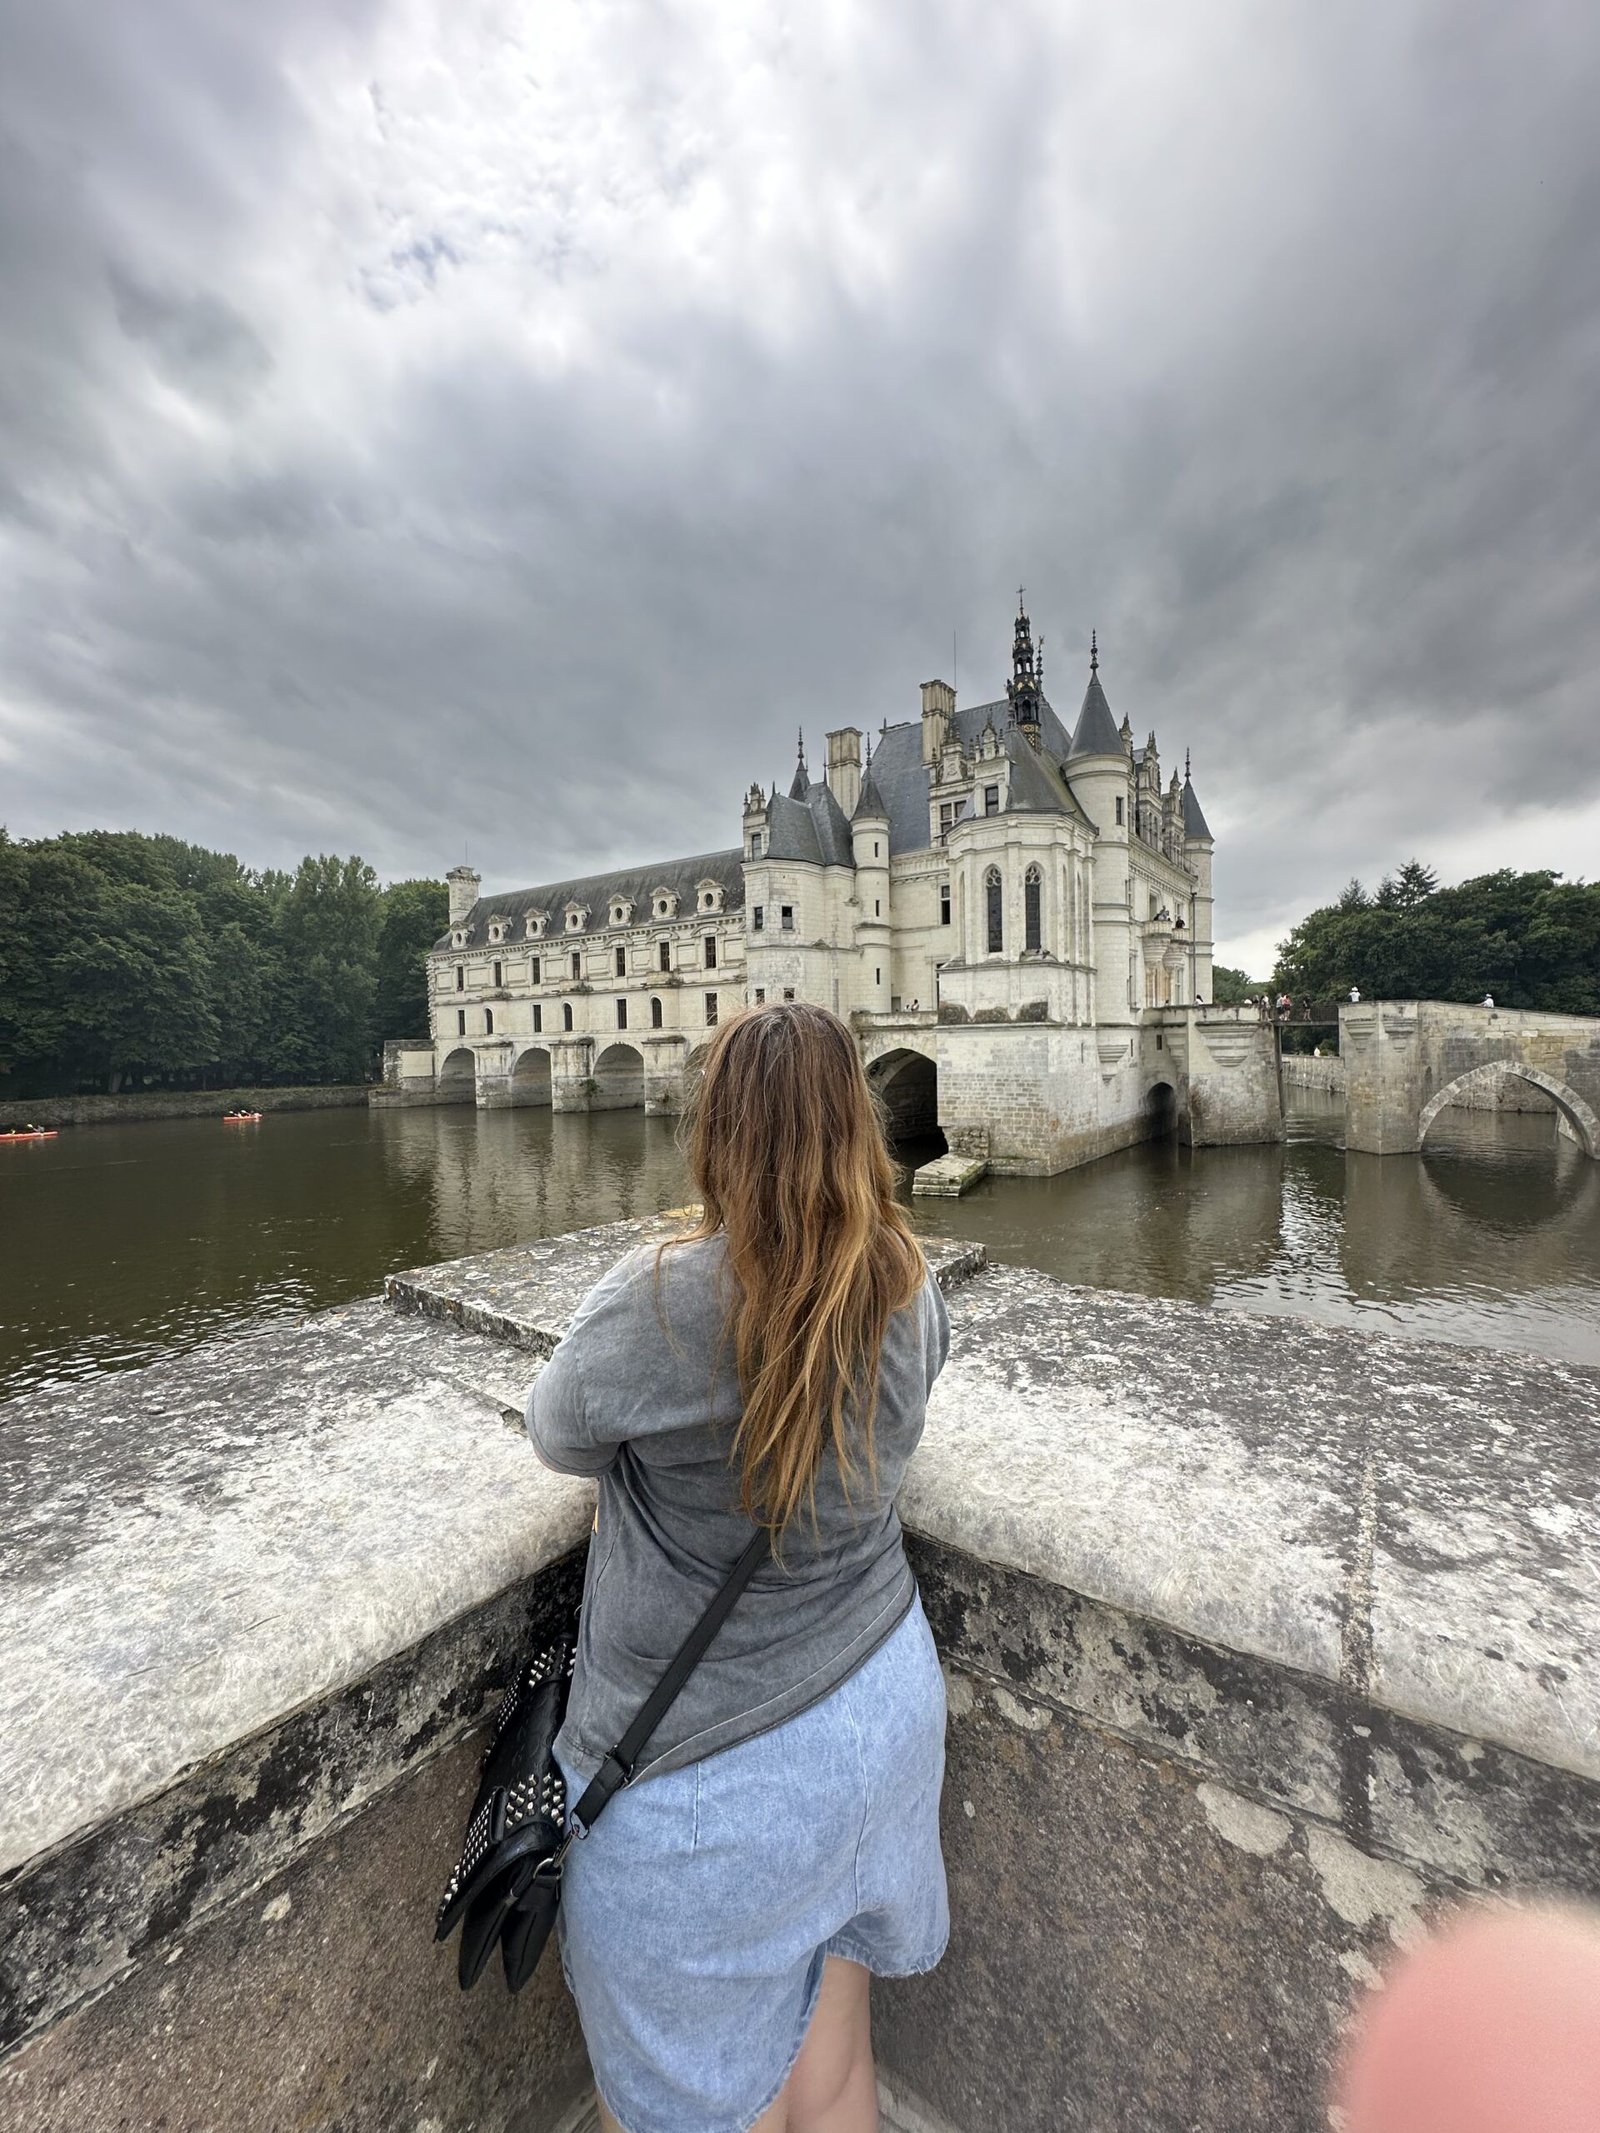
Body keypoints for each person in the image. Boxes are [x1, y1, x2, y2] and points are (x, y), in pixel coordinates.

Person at [527, 1001, 951, 2133]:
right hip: (881, 1718)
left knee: (702, 2112)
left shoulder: (659, 1299)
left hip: (712, 1784)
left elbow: (559, 1434)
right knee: (835, 2070)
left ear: (711, 1133)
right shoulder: (907, 1280)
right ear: (857, 1124)